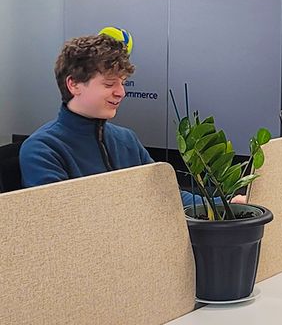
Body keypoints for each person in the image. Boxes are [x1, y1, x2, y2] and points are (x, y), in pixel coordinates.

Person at [20, 33, 245, 207]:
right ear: (74, 85)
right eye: (109, 84)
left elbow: (165, 196)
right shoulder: (42, 149)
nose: (121, 92)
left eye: (123, 83)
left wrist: (224, 205)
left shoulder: (125, 139)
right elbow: (61, 223)